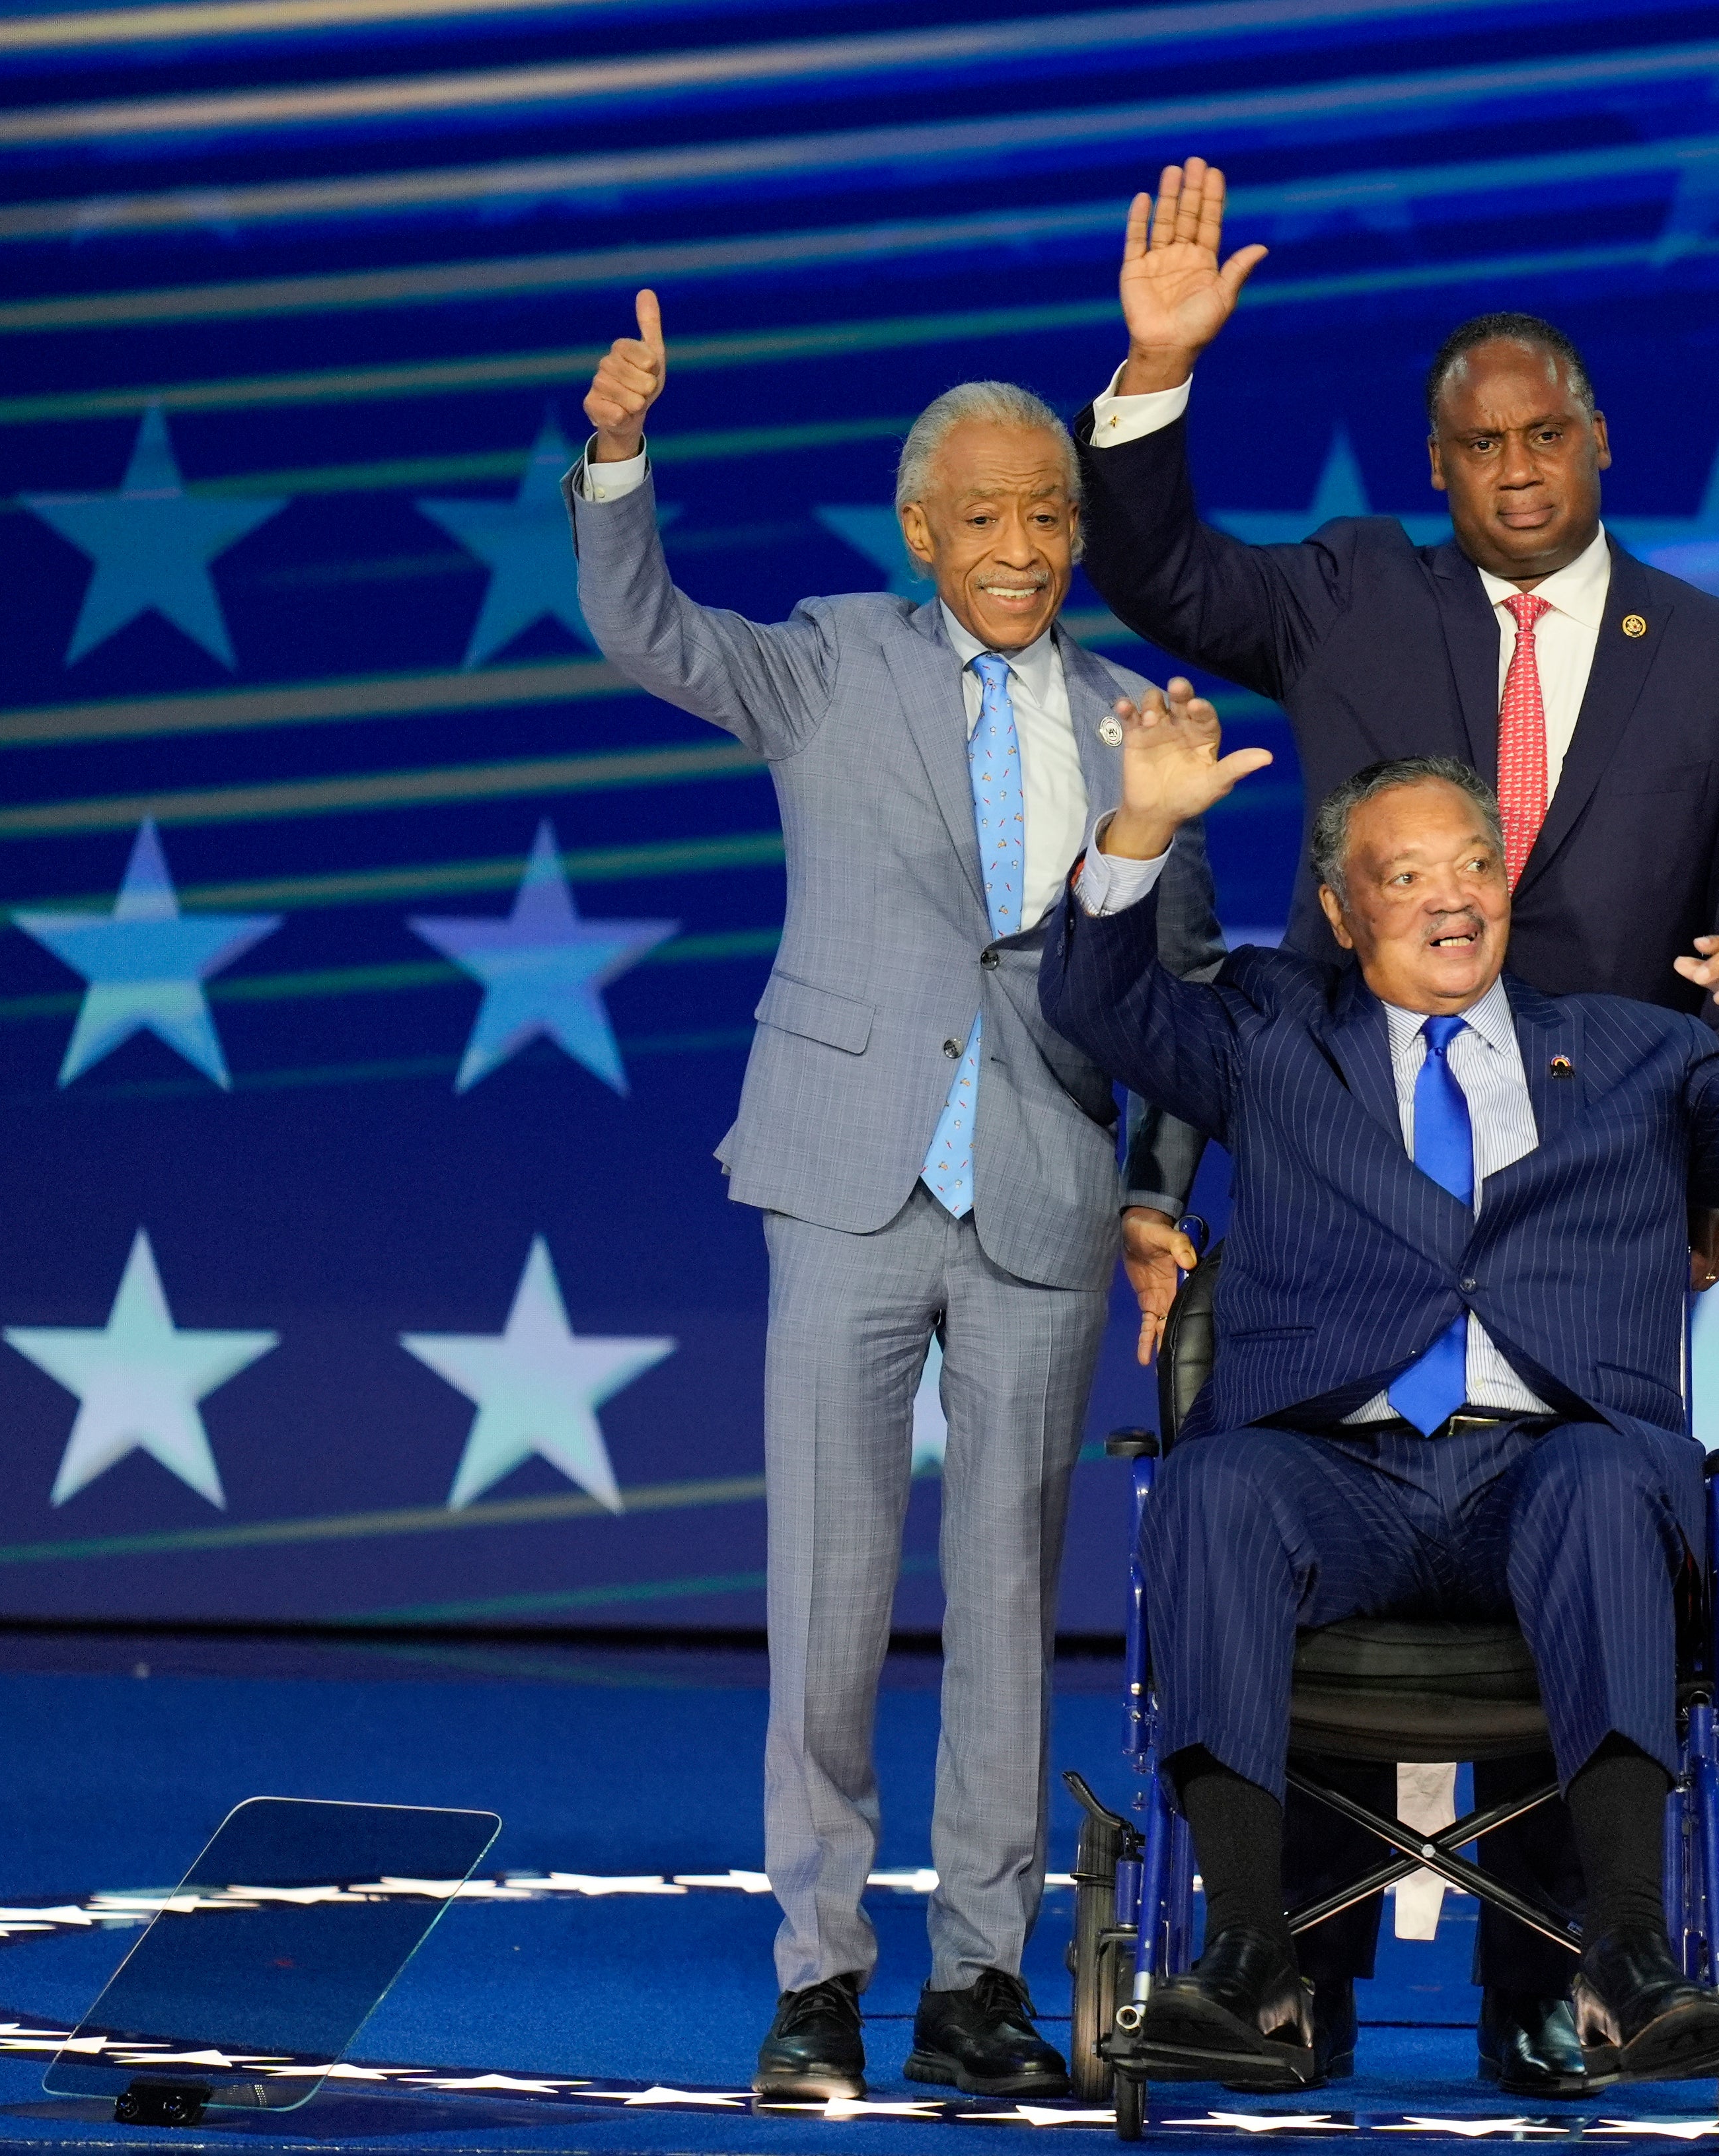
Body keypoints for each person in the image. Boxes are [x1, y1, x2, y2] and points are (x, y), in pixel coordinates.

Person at [1070, 157, 1719, 2089]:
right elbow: (1156, 574)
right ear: (1440, 463)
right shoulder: (1347, 594)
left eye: (1546, 430)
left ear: (1598, 441)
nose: (1516, 464)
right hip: (1345, 1173)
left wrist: (1713, 1176)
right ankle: (1273, 1973)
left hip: (1599, 1194)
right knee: (1266, 1483)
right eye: (1476, 442)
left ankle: (1573, 1982)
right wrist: (1153, 380)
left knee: (1583, 1506)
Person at [570, 290, 1224, 2103]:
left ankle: (978, 1985)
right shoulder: (826, 657)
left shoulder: (1131, 724)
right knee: (833, 1589)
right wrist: (619, 459)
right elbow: (645, 629)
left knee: (1009, 1594)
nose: (1022, 548)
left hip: (1044, 1192)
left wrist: (1157, 1194)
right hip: (847, 1171)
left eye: (1050, 519)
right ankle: (818, 1972)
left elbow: (1178, 995)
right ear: (922, 534)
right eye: (987, 518)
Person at [1039, 695, 1719, 2091]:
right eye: (1406, 876)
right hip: (1334, 1477)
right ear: (1340, 908)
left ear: (1508, 883)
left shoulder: (1637, 1051)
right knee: (1210, 1483)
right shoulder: (1268, 1030)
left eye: (1471, 866)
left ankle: (1624, 1954)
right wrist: (1139, 830)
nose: (1449, 899)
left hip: (1549, 1472)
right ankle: (1248, 1958)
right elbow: (1096, 1000)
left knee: (1613, 1479)